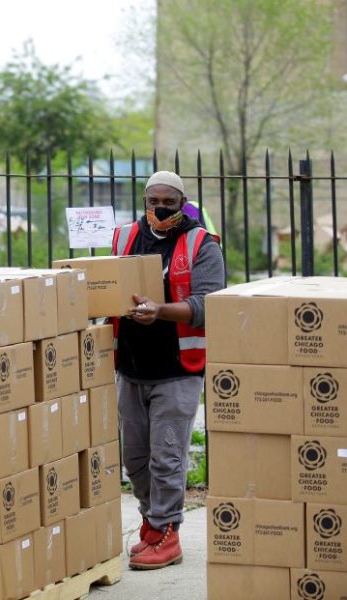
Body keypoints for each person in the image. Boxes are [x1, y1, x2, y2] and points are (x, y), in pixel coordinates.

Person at [112, 170, 225, 570]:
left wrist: (159, 311)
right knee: (136, 460)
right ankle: (152, 520)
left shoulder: (200, 244)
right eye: (152, 201)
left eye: (169, 203)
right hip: (130, 366)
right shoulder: (125, 237)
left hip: (177, 369)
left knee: (167, 457)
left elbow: (208, 304)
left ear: (182, 203)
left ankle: (166, 533)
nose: (159, 209)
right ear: (144, 201)